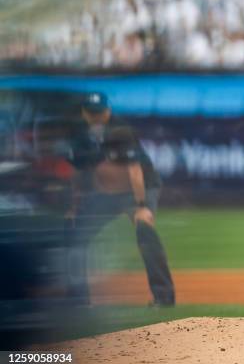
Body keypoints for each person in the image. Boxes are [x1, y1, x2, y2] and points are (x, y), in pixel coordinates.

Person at [66, 92, 175, 307]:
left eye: (99, 112)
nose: (96, 116)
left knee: (144, 229)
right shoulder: (80, 137)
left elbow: (134, 170)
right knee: (74, 233)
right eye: (91, 112)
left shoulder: (121, 131)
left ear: (107, 111)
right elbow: (77, 173)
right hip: (106, 194)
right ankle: (77, 301)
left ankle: (164, 297)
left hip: (139, 189)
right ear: (84, 113)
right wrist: (73, 208)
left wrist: (142, 207)